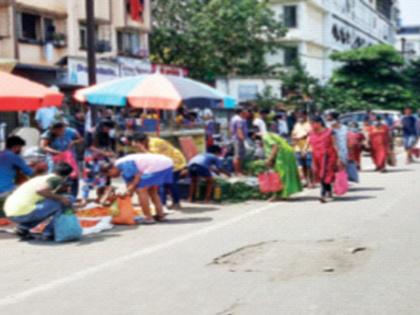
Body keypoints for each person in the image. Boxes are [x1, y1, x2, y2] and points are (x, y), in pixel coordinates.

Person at [4, 162, 74, 240]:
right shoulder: (56, 179)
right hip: (22, 213)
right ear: (67, 175)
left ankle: (22, 229)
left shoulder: (42, 178)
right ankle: (49, 233)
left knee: (48, 207)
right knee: (66, 200)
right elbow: (40, 190)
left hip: (11, 212)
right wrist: (61, 198)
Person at [104, 153, 173, 224]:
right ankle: (161, 216)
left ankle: (148, 218)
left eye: (110, 175)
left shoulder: (122, 164)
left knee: (141, 190)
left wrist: (127, 191)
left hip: (157, 165)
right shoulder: (123, 169)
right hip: (165, 163)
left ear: (111, 169)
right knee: (152, 191)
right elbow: (130, 185)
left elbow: (137, 177)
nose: (113, 177)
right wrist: (126, 194)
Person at [131, 132, 187, 209]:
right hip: (165, 163)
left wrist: (142, 148)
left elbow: (154, 157)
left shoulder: (154, 143)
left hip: (175, 162)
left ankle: (175, 203)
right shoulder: (147, 143)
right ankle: (163, 204)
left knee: (170, 183)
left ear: (142, 141)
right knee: (163, 184)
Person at [40, 121, 83, 197]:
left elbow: (80, 139)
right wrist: (56, 152)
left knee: (72, 175)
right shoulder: (47, 134)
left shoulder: (70, 131)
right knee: (55, 176)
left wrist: (73, 142)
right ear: (53, 130)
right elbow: (43, 146)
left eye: (62, 130)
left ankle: (73, 195)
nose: (60, 132)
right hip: (54, 159)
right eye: (57, 131)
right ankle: (55, 195)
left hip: (69, 157)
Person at [258, 131, 302, 200]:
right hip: (285, 153)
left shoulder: (265, 137)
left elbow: (275, 146)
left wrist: (270, 159)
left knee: (282, 175)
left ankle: (282, 195)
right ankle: (281, 194)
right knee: (281, 174)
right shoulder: (271, 134)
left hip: (283, 155)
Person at [81, 120, 117, 205]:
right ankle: (84, 198)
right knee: (89, 178)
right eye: (107, 128)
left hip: (102, 159)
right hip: (91, 159)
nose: (108, 130)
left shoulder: (107, 135)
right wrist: (103, 152)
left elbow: (108, 146)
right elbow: (88, 146)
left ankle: (100, 197)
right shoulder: (90, 132)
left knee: (103, 178)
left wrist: (111, 154)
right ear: (102, 126)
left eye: (109, 129)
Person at [0, 136, 36, 217]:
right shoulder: (13, 156)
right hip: (4, 190)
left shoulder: (2, 154)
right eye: (21, 147)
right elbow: (30, 173)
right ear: (16, 147)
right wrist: (38, 168)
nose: (21, 150)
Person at [309, 116, 338, 203]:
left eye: (313, 123)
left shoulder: (330, 132)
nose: (312, 125)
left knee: (325, 174)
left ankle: (323, 194)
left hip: (329, 156)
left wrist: (339, 158)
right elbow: (311, 145)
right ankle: (329, 190)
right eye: (311, 123)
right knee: (321, 174)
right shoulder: (311, 133)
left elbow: (335, 145)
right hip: (316, 157)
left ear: (319, 123)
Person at [292, 111, 314, 188]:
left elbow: (308, 136)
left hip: (308, 148)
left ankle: (311, 181)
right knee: (301, 166)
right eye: (298, 116)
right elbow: (293, 135)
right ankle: (305, 181)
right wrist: (294, 142)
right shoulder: (296, 125)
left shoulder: (309, 124)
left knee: (309, 166)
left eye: (301, 115)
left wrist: (305, 148)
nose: (299, 117)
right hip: (298, 148)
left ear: (305, 116)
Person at [230, 108, 248, 176]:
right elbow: (239, 130)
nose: (247, 113)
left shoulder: (234, 118)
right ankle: (238, 172)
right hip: (239, 140)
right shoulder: (239, 119)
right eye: (246, 111)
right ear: (242, 111)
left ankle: (239, 171)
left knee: (238, 156)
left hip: (236, 139)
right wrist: (243, 140)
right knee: (238, 156)